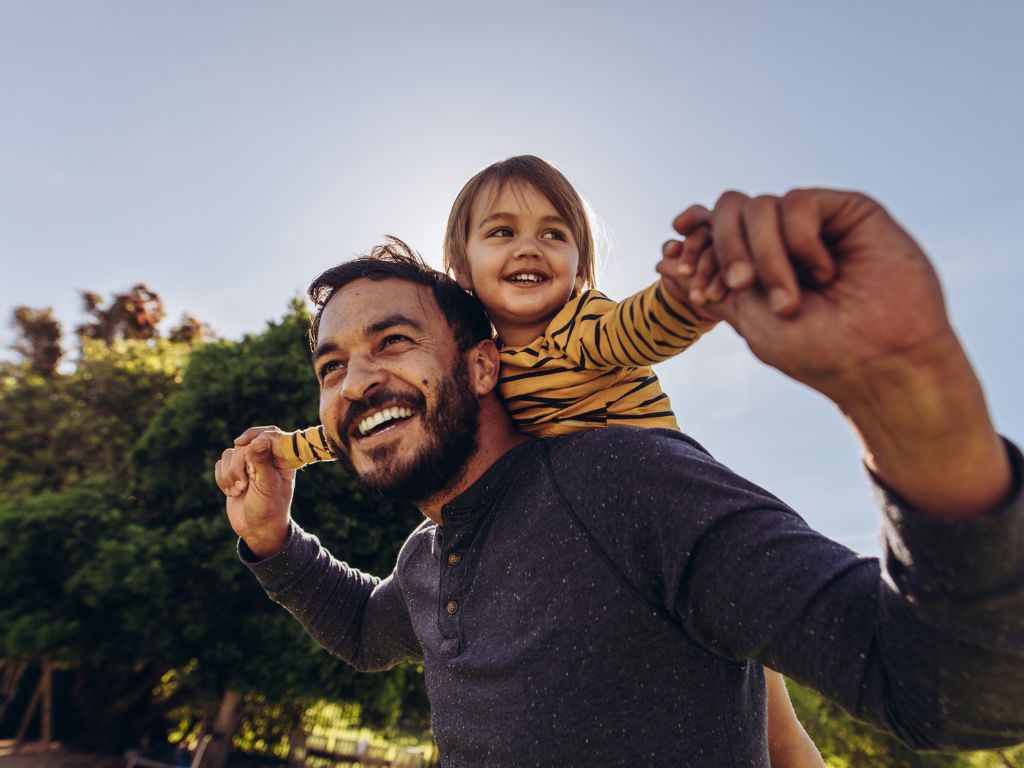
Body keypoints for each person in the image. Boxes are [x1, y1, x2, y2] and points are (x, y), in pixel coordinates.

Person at [216, 188, 1022, 767]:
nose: (355, 383)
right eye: (332, 366)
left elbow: (953, 693)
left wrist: (912, 391)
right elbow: (362, 632)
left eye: (393, 342)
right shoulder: (427, 560)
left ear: (484, 364)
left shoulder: (624, 482)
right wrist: (273, 541)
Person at [252, 155, 821, 765]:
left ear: (580, 261)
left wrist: (689, 296)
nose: (530, 248)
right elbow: (353, 437)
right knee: (765, 712)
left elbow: (642, 327)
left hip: (659, 520)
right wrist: (279, 474)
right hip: (625, 545)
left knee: (773, 716)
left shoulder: (582, 328)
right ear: (462, 267)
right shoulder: (470, 399)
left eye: (555, 234)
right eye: (502, 232)